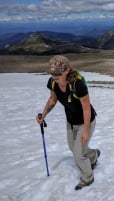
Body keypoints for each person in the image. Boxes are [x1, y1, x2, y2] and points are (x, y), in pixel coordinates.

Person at [36, 55, 100, 190]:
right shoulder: (53, 82)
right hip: (71, 121)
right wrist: (44, 115)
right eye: (53, 74)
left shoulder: (78, 84)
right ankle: (93, 155)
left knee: (78, 154)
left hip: (85, 121)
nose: (55, 77)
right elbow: (53, 100)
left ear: (67, 71)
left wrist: (86, 131)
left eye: (58, 74)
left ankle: (88, 177)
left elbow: (87, 109)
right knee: (73, 147)